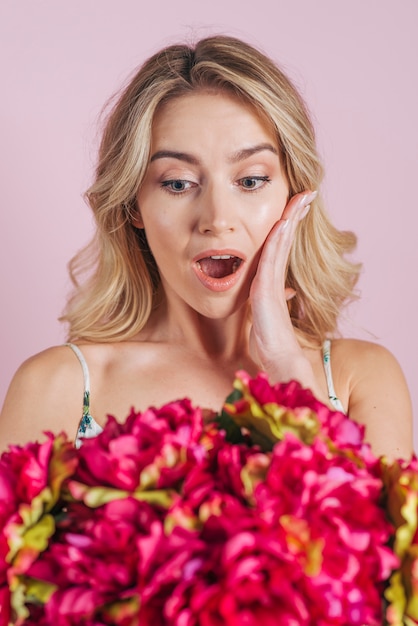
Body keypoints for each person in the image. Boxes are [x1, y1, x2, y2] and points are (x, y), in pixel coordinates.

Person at [0, 35, 412, 459]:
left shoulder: (358, 378)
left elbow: (359, 522)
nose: (217, 219)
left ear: (295, 194)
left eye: (250, 180)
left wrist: (289, 370)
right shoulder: (58, 385)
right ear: (132, 205)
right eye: (178, 183)